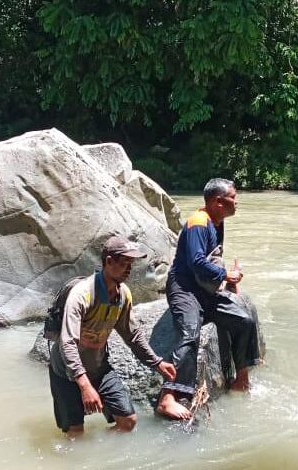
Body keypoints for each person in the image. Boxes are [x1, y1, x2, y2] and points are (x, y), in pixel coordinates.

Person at [49, 235, 177, 437]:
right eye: (125, 263)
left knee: (128, 421)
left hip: (99, 367)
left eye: (131, 264)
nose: (129, 269)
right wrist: (84, 385)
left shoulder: (123, 294)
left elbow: (132, 335)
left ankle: (101, 447)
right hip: (66, 372)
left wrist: (157, 363)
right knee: (76, 434)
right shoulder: (82, 295)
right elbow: (67, 343)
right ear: (108, 262)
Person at [156, 178, 261, 420]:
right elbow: (196, 263)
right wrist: (225, 274)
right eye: (233, 198)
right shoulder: (198, 223)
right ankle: (167, 397)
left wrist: (227, 282)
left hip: (205, 290)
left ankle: (241, 379)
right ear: (218, 201)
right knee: (189, 334)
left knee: (243, 320)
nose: (237, 202)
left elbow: (213, 257)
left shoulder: (218, 222)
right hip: (184, 288)